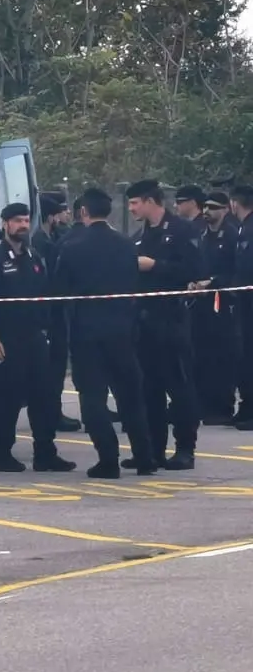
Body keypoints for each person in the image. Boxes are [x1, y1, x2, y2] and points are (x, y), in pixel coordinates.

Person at [52, 187, 155, 476]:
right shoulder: (126, 245)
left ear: (84, 212)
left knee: (92, 398)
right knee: (131, 396)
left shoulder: (71, 247)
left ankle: (108, 459)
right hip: (123, 329)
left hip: (87, 333)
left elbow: (59, 291)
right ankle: (144, 457)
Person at [0, 202, 75, 473]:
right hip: (7, 340)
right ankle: (2, 455)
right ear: (5, 224)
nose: (23, 226)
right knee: (7, 399)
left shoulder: (34, 257)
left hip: (35, 338)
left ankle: (45, 454)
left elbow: (45, 295)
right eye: (17, 221)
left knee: (44, 397)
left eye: (26, 220)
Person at [126, 178, 203, 469]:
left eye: (135, 203)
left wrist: (155, 265)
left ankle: (185, 448)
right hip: (144, 322)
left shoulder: (182, 230)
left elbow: (195, 270)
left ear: (150, 201)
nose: (131, 209)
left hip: (172, 319)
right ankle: (153, 449)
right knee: (149, 389)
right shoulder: (139, 236)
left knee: (179, 386)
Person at [32, 192, 81, 433]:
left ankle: (53, 411)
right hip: (49, 313)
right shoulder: (40, 242)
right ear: (51, 217)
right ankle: (50, 414)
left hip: (58, 311)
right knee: (51, 367)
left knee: (57, 365)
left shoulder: (53, 237)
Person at [193, 192, 242, 426]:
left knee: (222, 356)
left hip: (224, 304)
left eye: (212, 207)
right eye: (205, 207)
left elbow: (236, 271)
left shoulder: (232, 235)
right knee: (203, 355)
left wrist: (213, 282)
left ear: (225, 209)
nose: (206, 211)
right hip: (203, 304)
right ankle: (205, 405)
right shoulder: (203, 236)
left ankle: (222, 406)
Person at [232, 185, 253, 428]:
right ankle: (247, 406)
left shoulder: (248, 229)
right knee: (245, 355)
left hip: (249, 300)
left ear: (234, 203)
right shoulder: (243, 228)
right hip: (244, 301)